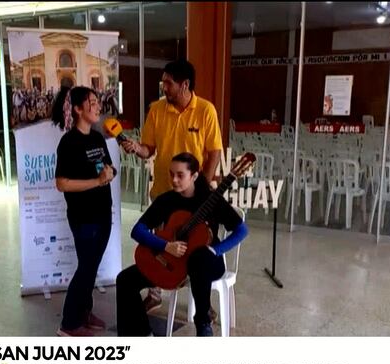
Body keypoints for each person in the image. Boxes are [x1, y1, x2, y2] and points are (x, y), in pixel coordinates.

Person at [121, 59, 223, 315]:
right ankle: (154, 293)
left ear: (184, 84)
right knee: (160, 245)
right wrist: (137, 149)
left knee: (196, 247)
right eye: (163, 82)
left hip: (194, 198)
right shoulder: (156, 109)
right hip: (163, 195)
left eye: (168, 83)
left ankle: (203, 302)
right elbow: (148, 149)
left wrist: (203, 189)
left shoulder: (206, 110)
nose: (163, 87)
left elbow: (214, 152)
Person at [116, 153, 248, 337]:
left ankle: (203, 323)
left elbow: (242, 230)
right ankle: (141, 335)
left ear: (194, 176)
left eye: (180, 175)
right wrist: (165, 246)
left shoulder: (212, 200)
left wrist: (215, 250)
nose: (174, 180)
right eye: (171, 174)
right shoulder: (167, 200)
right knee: (125, 280)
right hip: (172, 263)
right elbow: (137, 230)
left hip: (207, 262)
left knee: (199, 258)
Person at [52, 86, 116, 337]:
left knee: (91, 266)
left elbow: (108, 167)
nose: (98, 106)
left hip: (103, 212)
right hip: (84, 217)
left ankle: (84, 311)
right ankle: (68, 324)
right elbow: (62, 183)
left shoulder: (97, 138)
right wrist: (97, 181)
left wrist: (109, 173)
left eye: (98, 101)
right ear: (78, 109)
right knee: (86, 268)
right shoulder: (69, 142)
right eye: (92, 102)